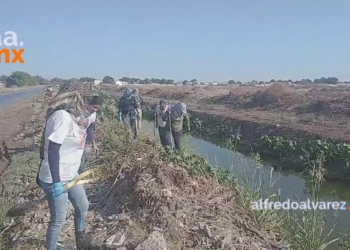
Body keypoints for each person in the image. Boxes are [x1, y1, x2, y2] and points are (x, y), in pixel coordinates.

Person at [37, 81, 96, 250]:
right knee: (59, 219)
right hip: (56, 176)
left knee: (83, 206)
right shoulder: (62, 117)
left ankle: (80, 240)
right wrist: (56, 181)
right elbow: (53, 151)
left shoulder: (76, 117)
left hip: (71, 173)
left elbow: (88, 125)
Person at [78, 95, 102, 174]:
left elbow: (90, 129)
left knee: (81, 162)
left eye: (97, 109)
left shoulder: (93, 115)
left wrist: (94, 145)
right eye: (94, 107)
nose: (95, 110)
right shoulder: (78, 112)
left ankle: (78, 178)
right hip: (70, 140)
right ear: (88, 105)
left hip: (81, 141)